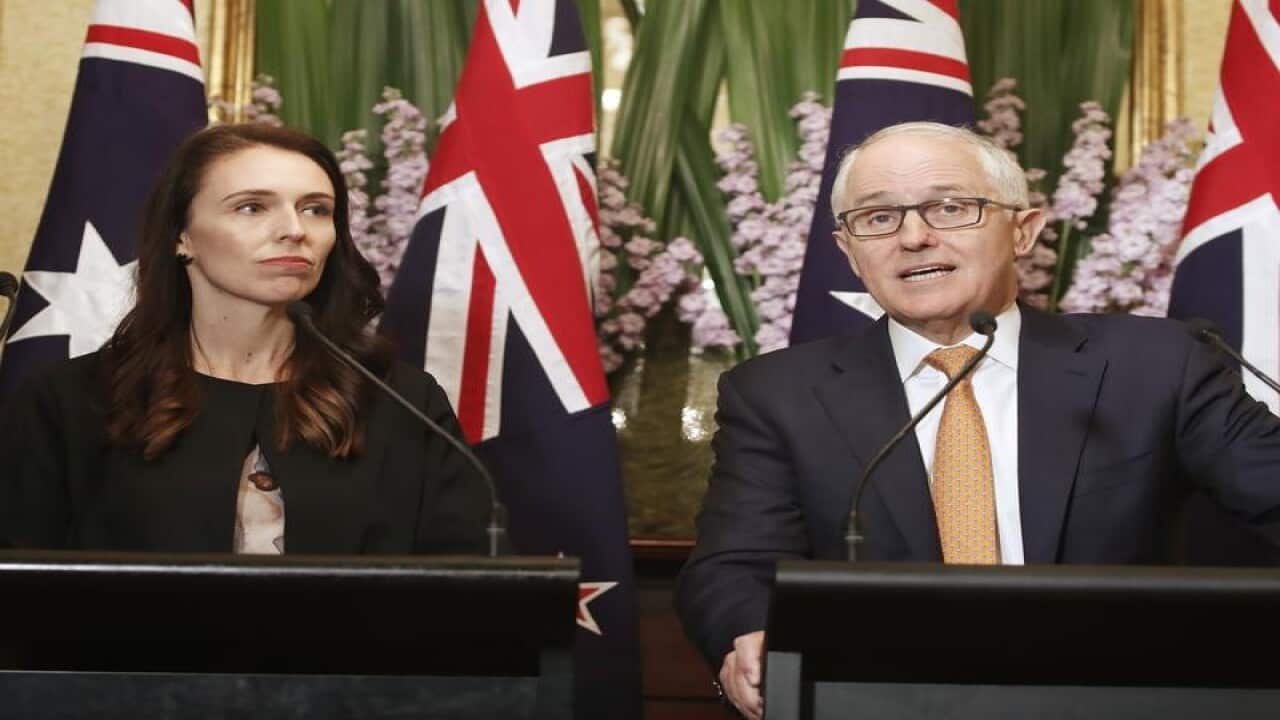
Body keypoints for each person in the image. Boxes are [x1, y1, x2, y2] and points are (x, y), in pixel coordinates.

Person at [675, 121, 1280, 720]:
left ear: (1024, 231)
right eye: (879, 218)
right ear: (848, 252)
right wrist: (747, 634)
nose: (913, 237)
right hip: (881, 704)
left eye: (950, 207)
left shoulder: (1155, 363)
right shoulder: (778, 393)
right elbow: (736, 565)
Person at [0, 123, 490, 555]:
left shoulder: (401, 400)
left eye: (316, 210)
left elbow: (461, 590)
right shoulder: (70, 401)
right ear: (181, 235)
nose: (295, 230)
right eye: (252, 207)